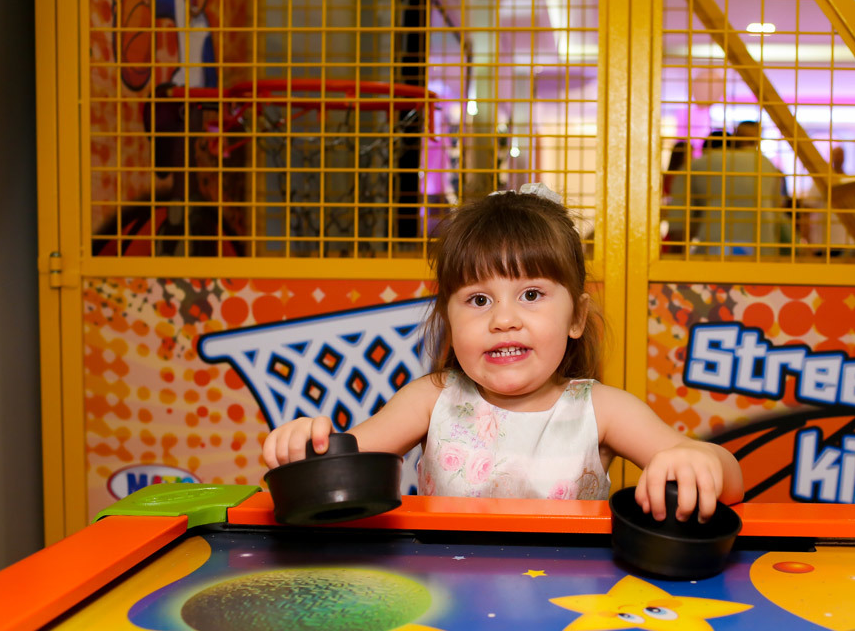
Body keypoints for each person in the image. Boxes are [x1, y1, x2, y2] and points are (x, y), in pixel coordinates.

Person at [262, 184, 744, 522]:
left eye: (531, 295)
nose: (504, 319)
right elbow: (341, 461)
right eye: (478, 300)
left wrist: (699, 461)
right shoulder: (431, 399)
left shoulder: (602, 410)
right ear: (449, 320)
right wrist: (305, 445)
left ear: (576, 317)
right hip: (447, 599)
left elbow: (731, 479)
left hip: (567, 602)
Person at [688, 121, 786, 256]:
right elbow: (776, 206)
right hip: (759, 238)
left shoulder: (707, 162)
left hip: (716, 235)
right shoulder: (766, 165)